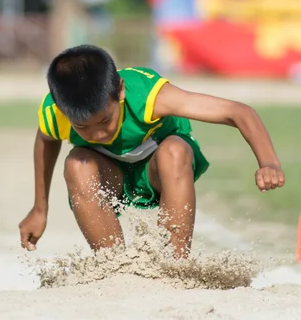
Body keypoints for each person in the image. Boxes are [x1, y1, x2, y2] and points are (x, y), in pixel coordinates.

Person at [19, 45, 285, 258]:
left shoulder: (150, 96)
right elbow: (46, 140)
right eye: (82, 126)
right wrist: (39, 208)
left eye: (105, 120)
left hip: (159, 171)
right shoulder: (56, 112)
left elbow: (238, 112)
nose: (99, 134)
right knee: (76, 163)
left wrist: (269, 162)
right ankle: (112, 267)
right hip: (112, 176)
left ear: (120, 90)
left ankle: (174, 264)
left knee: (175, 151)